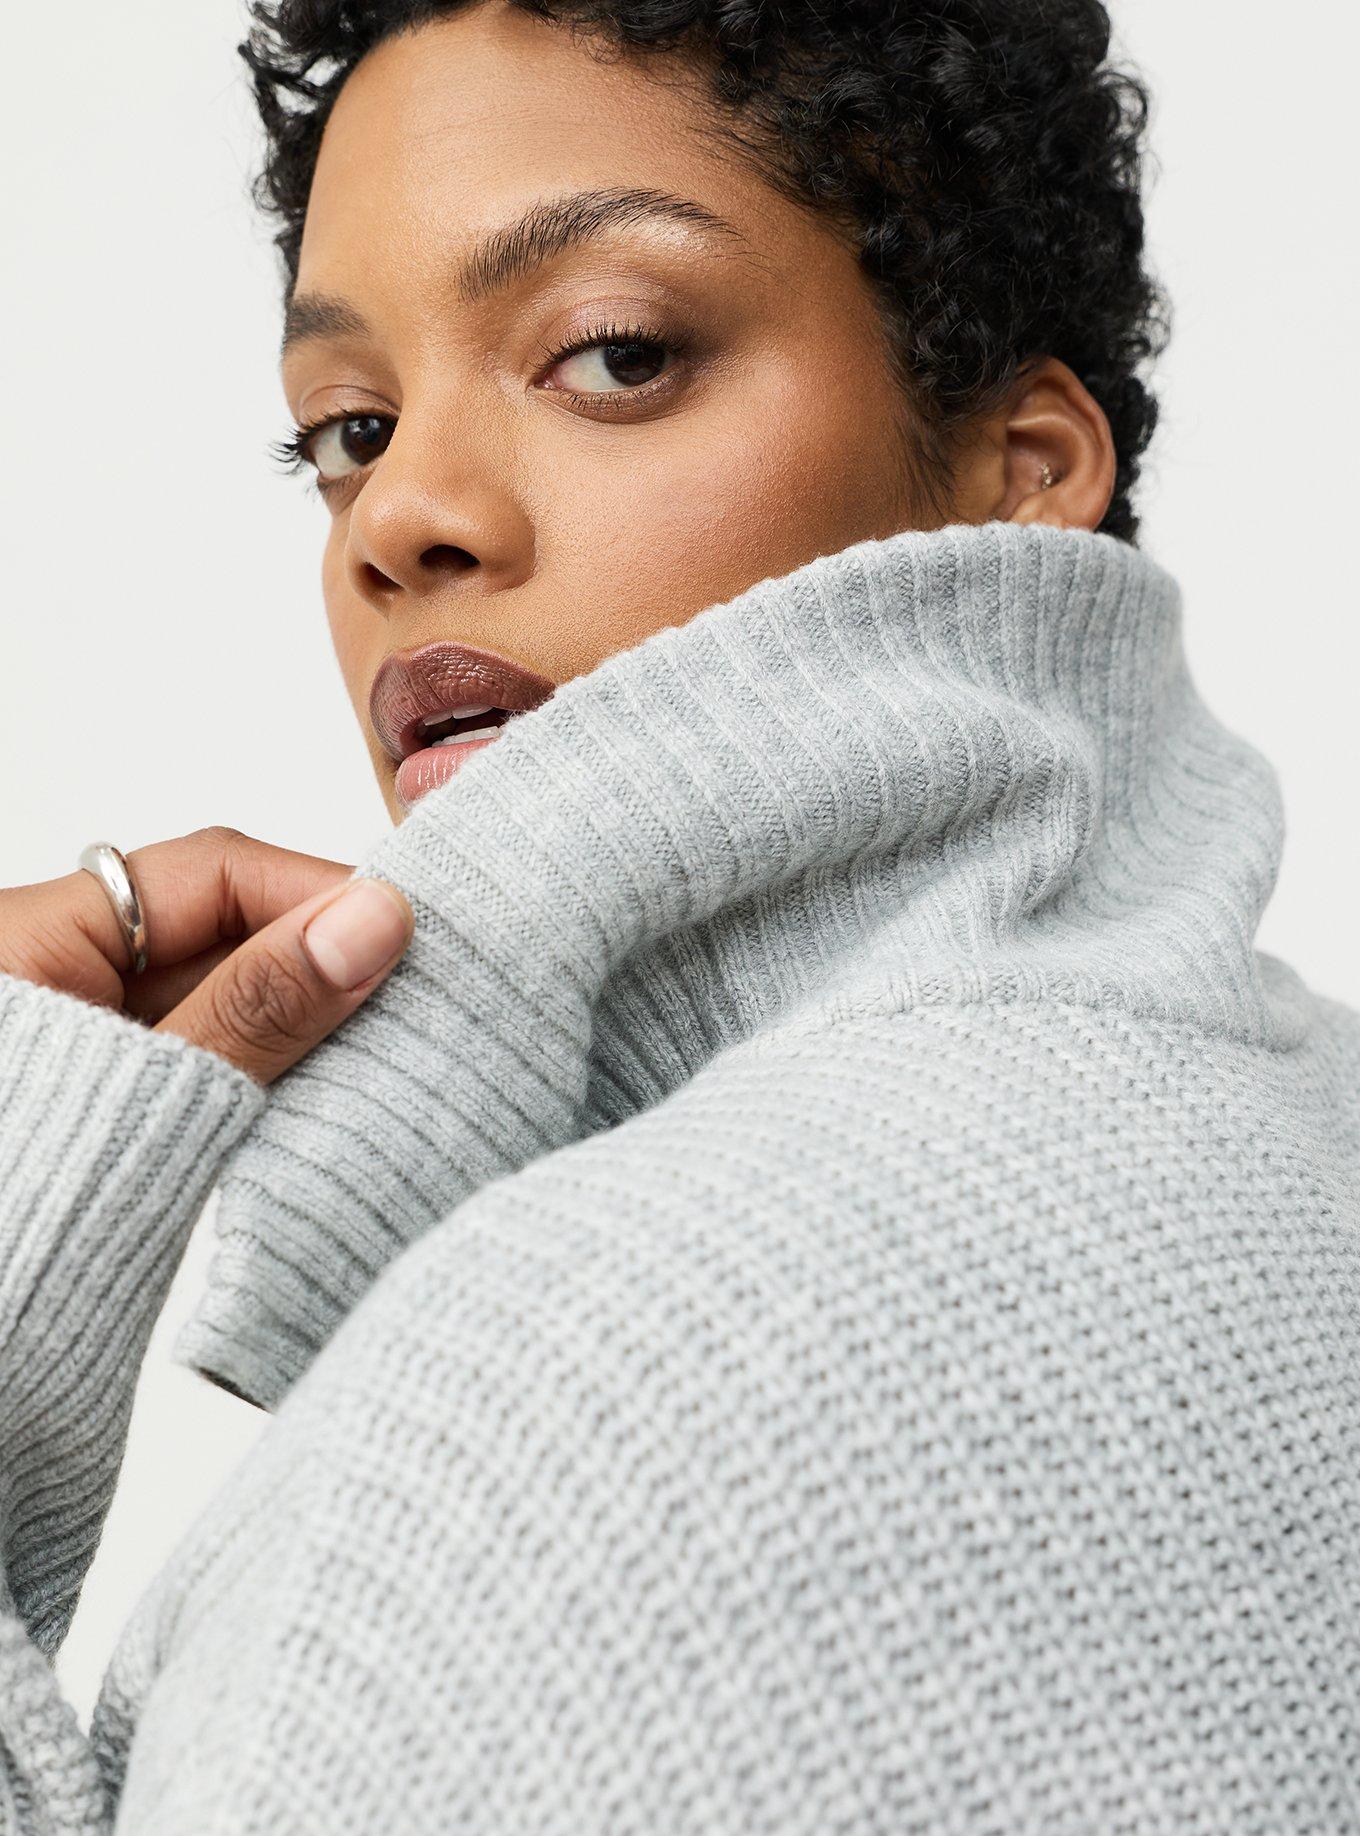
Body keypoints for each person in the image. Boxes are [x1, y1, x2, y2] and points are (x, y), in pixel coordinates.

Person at [3, 0, 1357, 1829]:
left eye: (615, 354)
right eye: (348, 427)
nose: (399, 516)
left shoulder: (545, 1406)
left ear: (1026, 465)